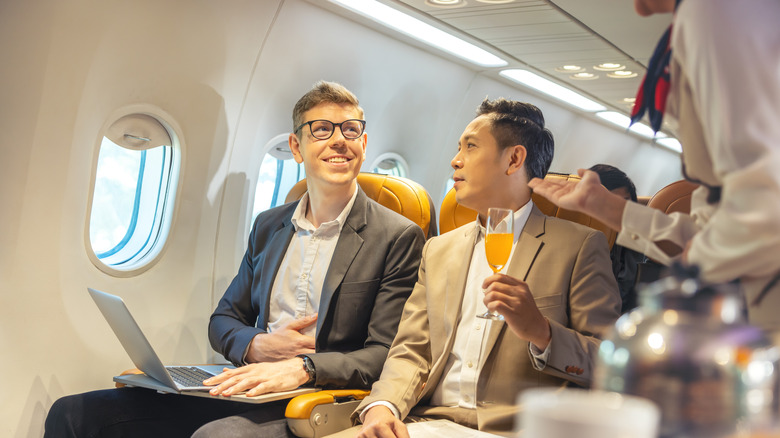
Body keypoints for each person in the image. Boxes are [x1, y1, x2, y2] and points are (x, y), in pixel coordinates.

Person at [44, 81, 426, 438]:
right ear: (296, 147)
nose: (339, 141)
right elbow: (223, 320)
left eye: (351, 130)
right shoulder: (269, 225)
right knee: (75, 414)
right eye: (322, 129)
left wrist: (302, 367)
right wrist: (258, 345)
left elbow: (385, 354)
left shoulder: (396, 236)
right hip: (250, 383)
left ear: (364, 141)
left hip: (317, 399)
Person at [330, 98, 621, 437]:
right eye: (458, 148)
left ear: (514, 159)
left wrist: (542, 332)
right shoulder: (438, 250)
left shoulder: (579, 246)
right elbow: (411, 351)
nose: (455, 160)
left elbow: (610, 364)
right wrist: (383, 408)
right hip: (428, 423)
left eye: (470, 147)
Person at [529, 0, 780, 335]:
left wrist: (698, 265)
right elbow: (714, 230)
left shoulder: (719, 12)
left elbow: (764, 213)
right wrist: (604, 207)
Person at [588, 164, 645, 313]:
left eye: (625, 202)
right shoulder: (581, 238)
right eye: (612, 203)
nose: (620, 211)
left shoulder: (636, 242)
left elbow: (624, 294)